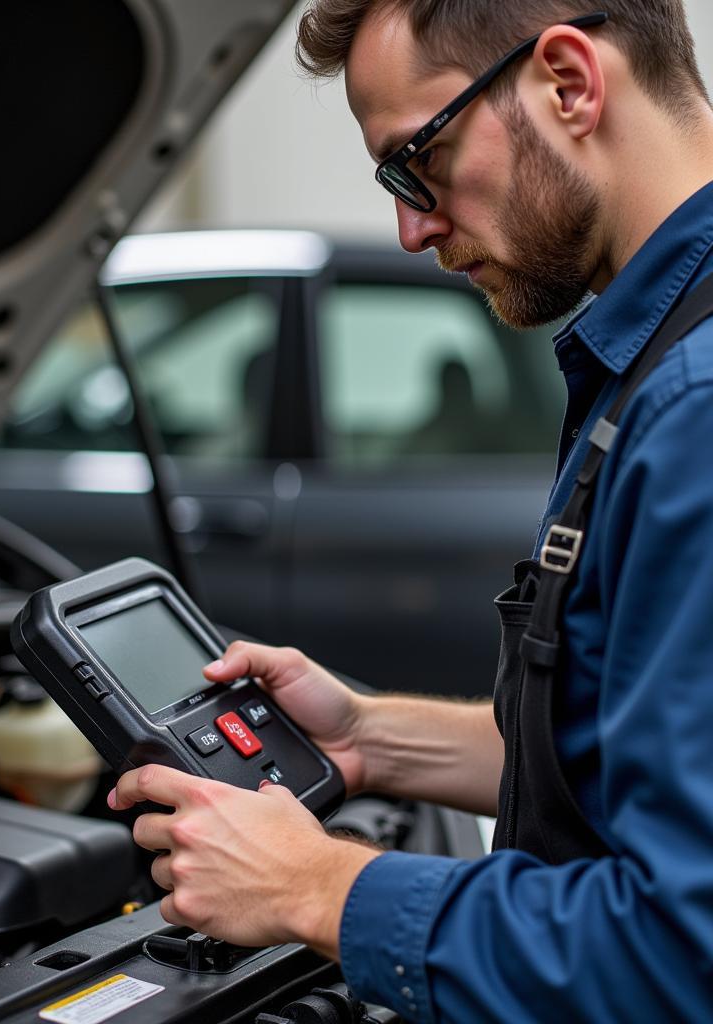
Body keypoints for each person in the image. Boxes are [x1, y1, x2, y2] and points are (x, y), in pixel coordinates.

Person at [108, 2, 713, 1018]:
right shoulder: (650, 362)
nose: (411, 224)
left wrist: (318, 886)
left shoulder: (694, 405)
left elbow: (683, 950)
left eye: (416, 162)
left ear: (568, 82)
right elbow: (623, 759)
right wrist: (370, 737)